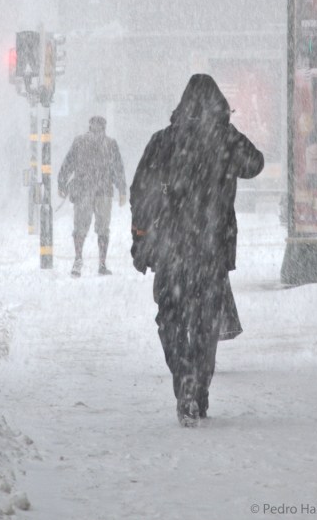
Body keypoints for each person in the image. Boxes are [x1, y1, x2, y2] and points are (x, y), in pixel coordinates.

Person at [129, 74, 264, 427]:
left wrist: (141, 235)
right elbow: (256, 163)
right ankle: (200, 387)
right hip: (211, 250)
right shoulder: (224, 140)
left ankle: (185, 380)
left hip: (172, 248)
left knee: (170, 318)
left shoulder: (163, 142)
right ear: (218, 105)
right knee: (206, 324)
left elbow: (140, 192)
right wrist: (225, 129)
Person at [58, 116, 127, 277]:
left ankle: (79, 259)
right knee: (102, 228)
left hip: (86, 190)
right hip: (101, 190)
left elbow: (68, 163)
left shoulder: (80, 142)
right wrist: (121, 189)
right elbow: (118, 168)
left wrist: (62, 183)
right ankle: (100, 264)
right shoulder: (109, 143)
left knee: (81, 227)